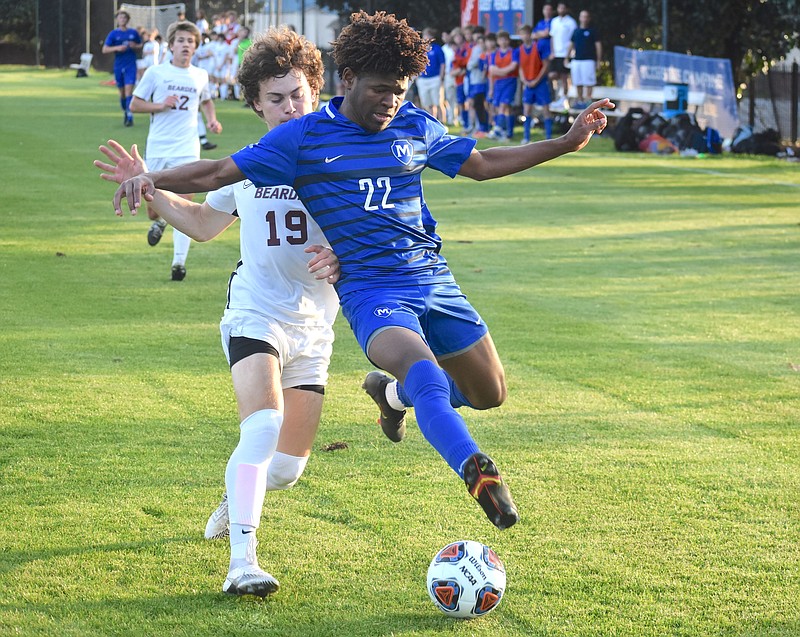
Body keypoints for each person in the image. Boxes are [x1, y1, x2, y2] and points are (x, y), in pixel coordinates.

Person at [113, 10, 612, 532]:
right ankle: (476, 469)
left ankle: (390, 395)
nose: (391, 102)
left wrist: (565, 142)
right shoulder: (303, 137)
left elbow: (482, 164)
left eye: (399, 90)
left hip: (435, 280)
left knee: (489, 392)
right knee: (426, 378)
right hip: (372, 291)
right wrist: (152, 177)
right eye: (380, 90)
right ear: (348, 80)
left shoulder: (414, 124)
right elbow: (217, 172)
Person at [96, 27, 340, 598]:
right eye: (275, 98)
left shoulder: (340, 160)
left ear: (315, 92)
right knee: (262, 428)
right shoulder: (251, 164)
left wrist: (346, 251)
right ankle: (243, 563)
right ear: (255, 103)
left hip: (315, 327)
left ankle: (236, 496)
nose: (289, 107)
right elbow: (206, 224)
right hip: (255, 312)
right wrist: (151, 190)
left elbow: (382, 231)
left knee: (286, 468)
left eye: (298, 94)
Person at [130, 20, 222, 281]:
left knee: (185, 205)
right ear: (171, 45)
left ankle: (178, 264)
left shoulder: (200, 75)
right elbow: (135, 105)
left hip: (187, 148)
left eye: (190, 41)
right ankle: (159, 221)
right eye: (180, 40)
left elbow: (206, 101)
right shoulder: (156, 73)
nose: (185, 45)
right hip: (159, 146)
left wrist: (212, 120)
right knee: (152, 207)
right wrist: (160, 105)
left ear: (195, 47)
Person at [102, 10, 142, 127]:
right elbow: (105, 49)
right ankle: (126, 111)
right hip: (119, 66)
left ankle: (130, 116)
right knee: (122, 93)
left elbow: (140, 45)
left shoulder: (133, 33)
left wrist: (135, 46)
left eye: (124, 18)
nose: (122, 20)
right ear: (117, 20)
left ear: (127, 20)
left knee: (129, 90)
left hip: (131, 65)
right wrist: (117, 48)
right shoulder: (113, 34)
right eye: (120, 18)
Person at [518, 24, 553, 143]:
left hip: (540, 83)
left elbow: (546, 65)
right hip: (528, 84)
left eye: (527, 33)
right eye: (522, 34)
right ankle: (526, 137)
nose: (525, 36)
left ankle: (549, 137)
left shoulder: (539, 46)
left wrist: (536, 80)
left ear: (531, 35)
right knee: (526, 110)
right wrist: (524, 80)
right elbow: (520, 67)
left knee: (546, 109)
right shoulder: (520, 49)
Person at [487, 30, 519, 141]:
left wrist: (499, 71)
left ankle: (498, 129)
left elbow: (513, 67)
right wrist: (503, 72)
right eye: (501, 39)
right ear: (498, 41)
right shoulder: (494, 54)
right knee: (499, 107)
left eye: (505, 39)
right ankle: (506, 132)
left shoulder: (513, 52)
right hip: (498, 83)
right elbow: (491, 70)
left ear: (508, 40)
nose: (503, 42)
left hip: (510, 82)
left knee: (503, 106)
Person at [566, 10, 602, 108]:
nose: (584, 19)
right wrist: (567, 57)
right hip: (577, 60)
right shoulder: (576, 31)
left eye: (586, 17)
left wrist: (598, 60)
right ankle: (580, 101)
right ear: (579, 18)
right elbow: (571, 45)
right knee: (578, 82)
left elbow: (598, 46)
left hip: (589, 60)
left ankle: (588, 101)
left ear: (589, 18)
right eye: (582, 16)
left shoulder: (592, 31)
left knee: (589, 82)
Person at [548, 2, 577, 109]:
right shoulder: (554, 21)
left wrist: (568, 55)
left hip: (565, 54)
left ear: (566, 9)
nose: (561, 9)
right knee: (552, 75)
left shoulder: (571, 22)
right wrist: (552, 51)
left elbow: (573, 40)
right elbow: (552, 37)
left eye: (563, 8)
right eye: (560, 7)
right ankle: (556, 96)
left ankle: (563, 100)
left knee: (564, 77)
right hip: (555, 54)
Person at [414, 27, 446, 122]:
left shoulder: (437, 49)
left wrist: (441, 77)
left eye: (428, 35)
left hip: (435, 78)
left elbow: (442, 63)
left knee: (437, 102)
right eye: (425, 35)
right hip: (423, 79)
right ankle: (431, 121)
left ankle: (442, 121)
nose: (426, 38)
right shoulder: (421, 49)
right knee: (426, 103)